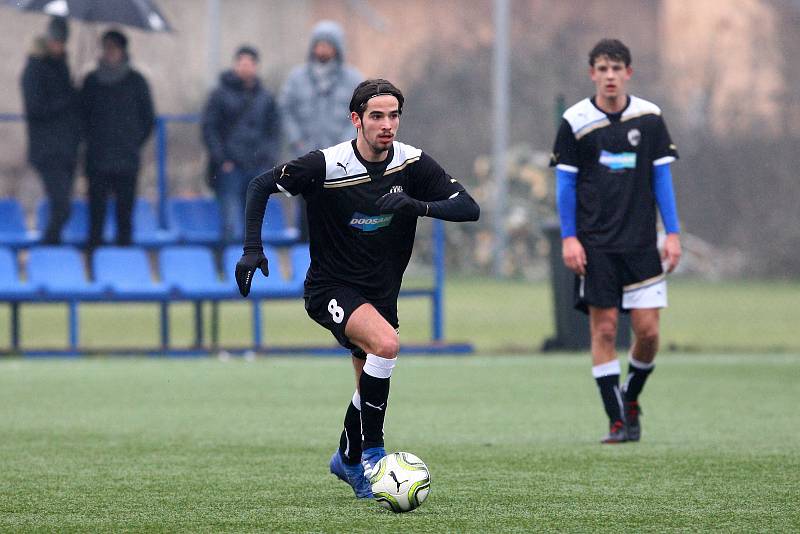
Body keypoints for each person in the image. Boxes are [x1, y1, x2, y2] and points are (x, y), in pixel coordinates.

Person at [235, 79, 480, 497]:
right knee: (386, 346)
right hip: (330, 288)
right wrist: (251, 250)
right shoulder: (326, 166)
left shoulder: (412, 164)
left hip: (381, 293)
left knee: (368, 383)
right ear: (356, 119)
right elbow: (260, 185)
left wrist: (417, 205)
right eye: (376, 116)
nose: (387, 125)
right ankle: (372, 456)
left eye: (394, 116)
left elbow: (468, 207)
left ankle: (346, 461)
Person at [550, 39, 682, 444]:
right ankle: (617, 420)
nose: (610, 75)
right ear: (592, 73)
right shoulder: (575, 121)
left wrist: (672, 232)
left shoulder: (650, 119)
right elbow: (565, 186)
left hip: (642, 243)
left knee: (648, 333)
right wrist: (570, 238)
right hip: (596, 245)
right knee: (604, 330)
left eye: (617, 68)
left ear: (629, 72)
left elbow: (662, 179)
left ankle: (632, 396)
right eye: (602, 69)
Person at [279, 20, 363, 241]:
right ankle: (305, 262)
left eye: (328, 45)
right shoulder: (297, 79)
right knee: (307, 215)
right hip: (306, 158)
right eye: (319, 45)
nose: (323, 50)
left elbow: (361, 114)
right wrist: (296, 140)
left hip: (340, 161)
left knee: (338, 212)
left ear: (337, 48)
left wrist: (345, 144)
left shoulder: (352, 80)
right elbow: (285, 110)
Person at [80, 29, 155, 249]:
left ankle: (125, 259)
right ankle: (95, 259)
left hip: (126, 159)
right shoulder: (91, 81)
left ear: (123, 51)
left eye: (114, 48)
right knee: (96, 215)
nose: (110, 52)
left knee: (125, 215)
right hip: (97, 159)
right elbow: (82, 116)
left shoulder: (137, 81)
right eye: (107, 48)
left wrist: (132, 142)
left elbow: (147, 118)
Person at [202, 45, 281, 244]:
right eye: (241, 63)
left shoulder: (266, 98)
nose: (245, 68)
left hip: (257, 167)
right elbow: (209, 128)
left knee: (253, 222)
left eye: (249, 64)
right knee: (230, 223)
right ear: (235, 65)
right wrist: (222, 159)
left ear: (256, 67)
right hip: (230, 167)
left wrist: (267, 159)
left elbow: (274, 130)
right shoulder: (219, 95)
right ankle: (228, 267)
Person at [20, 16, 81, 244]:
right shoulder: (34, 70)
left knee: (63, 206)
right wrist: (67, 99)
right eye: (56, 40)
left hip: (66, 149)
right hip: (48, 150)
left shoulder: (61, 67)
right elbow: (35, 108)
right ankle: (47, 249)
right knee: (62, 207)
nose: (59, 45)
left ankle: (51, 247)